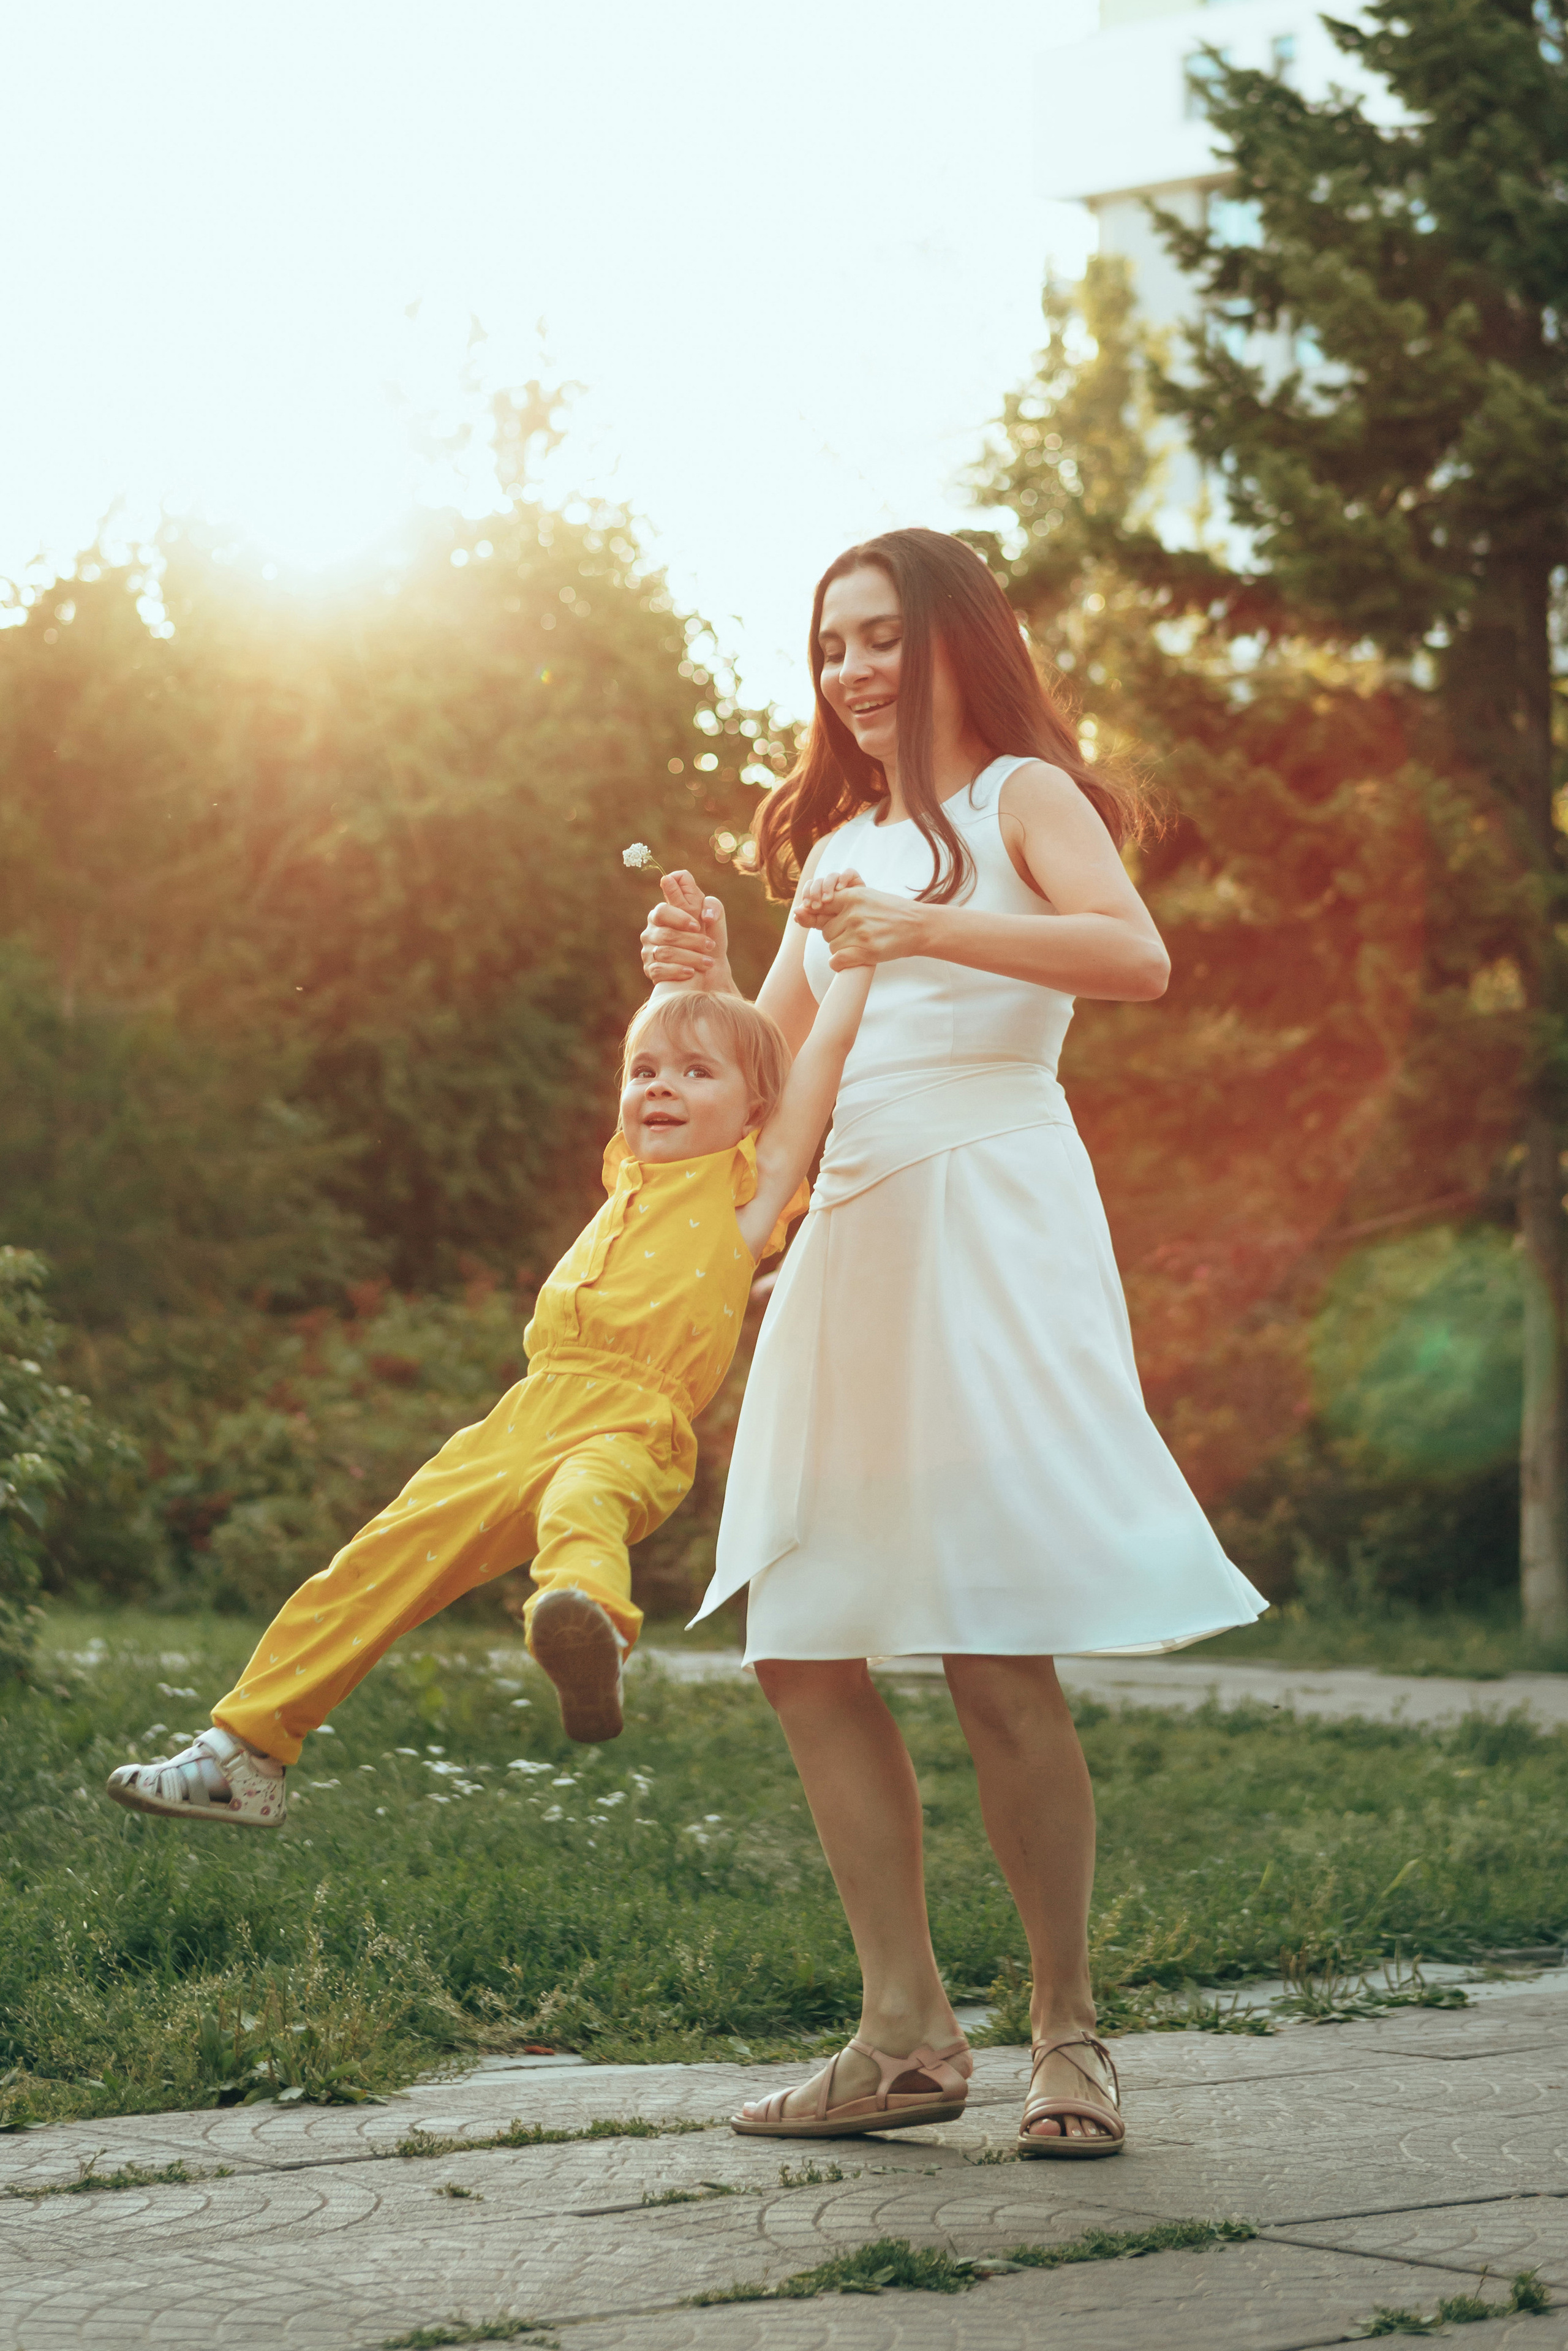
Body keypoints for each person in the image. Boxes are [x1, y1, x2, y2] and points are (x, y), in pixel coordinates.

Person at [641, 527, 1266, 2154]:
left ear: (953, 646)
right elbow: (768, 1069)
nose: (850, 670)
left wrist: (928, 931)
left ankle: (1070, 2035)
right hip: (850, 1237)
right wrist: (711, 989)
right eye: (830, 642)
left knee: (994, 1641)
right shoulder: (835, 842)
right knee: (802, 1642)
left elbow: (1135, 954)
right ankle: (904, 2030)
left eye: (879, 638)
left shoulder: (1024, 800)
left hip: (988, 1205)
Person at [105, 927, 870, 1822]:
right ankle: (245, 1757)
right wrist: (678, 988)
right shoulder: (626, 1180)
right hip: (520, 1417)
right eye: (646, 1072)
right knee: (374, 1561)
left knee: (581, 1506)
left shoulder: (743, 1196)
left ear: (753, 1114)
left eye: (697, 1074)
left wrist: (854, 961)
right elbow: (661, 1048)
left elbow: (818, 1058)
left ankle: (585, 1630)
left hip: (629, 1425)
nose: (661, 1085)